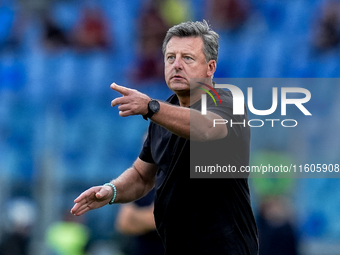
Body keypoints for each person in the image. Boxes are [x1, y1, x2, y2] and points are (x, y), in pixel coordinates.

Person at [71, 20, 259, 254]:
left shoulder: (227, 103)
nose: (177, 65)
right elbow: (141, 176)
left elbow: (206, 128)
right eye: (170, 58)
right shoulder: (162, 115)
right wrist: (112, 190)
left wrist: (151, 107)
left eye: (187, 58)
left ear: (210, 68)